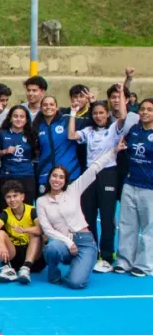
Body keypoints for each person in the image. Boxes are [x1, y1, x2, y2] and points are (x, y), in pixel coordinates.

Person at [39, 146, 121, 289]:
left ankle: (79, 265)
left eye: (61, 177)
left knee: (76, 283)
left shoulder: (74, 190)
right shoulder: (42, 201)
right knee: (51, 248)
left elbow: (94, 168)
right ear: (49, 178)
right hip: (64, 242)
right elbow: (47, 229)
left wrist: (113, 151)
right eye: (54, 176)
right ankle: (53, 271)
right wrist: (69, 243)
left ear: (65, 180)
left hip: (84, 242)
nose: (57, 180)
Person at [68, 92, 129, 273]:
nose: (98, 116)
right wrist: (73, 112)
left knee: (107, 216)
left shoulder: (114, 129)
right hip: (90, 174)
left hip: (108, 173)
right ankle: (91, 251)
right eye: (95, 113)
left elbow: (123, 117)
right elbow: (71, 135)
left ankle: (107, 255)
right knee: (88, 215)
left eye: (102, 113)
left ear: (108, 114)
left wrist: (121, 92)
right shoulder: (89, 131)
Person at [116, 98, 153, 277]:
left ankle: (145, 264)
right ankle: (124, 261)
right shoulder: (135, 130)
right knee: (127, 224)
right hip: (130, 183)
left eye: (149, 110)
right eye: (143, 109)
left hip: (150, 187)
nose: (145, 112)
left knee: (149, 227)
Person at [0, 180, 43, 284]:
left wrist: (24, 230)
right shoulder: (6, 213)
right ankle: (7, 269)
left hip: (33, 256)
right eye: (8, 197)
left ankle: (26, 269)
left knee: (36, 235)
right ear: (5, 199)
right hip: (15, 255)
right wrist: (1, 244)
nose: (12, 200)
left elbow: (40, 230)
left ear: (22, 197)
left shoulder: (32, 211)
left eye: (15, 196)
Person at [35, 96, 83, 192]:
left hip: (70, 173)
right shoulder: (36, 126)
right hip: (45, 175)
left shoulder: (68, 120)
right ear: (40, 108)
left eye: (51, 104)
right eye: (45, 105)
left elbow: (92, 120)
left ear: (57, 107)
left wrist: (90, 103)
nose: (48, 107)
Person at [0, 105, 39, 205]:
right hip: (7, 175)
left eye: (22, 117)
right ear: (10, 118)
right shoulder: (2, 133)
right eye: (15, 116)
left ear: (26, 119)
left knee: (27, 208)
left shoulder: (32, 134)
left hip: (27, 175)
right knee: (6, 208)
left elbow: (35, 153)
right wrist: (5, 151)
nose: (18, 119)